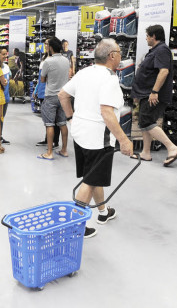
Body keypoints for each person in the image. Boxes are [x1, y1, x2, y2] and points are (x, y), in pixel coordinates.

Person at [59, 38, 134, 238]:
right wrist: (124, 140)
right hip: (98, 138)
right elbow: (107, 113)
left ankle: (103, 212)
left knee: (92, 176)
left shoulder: (84, 72)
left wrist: (70, 118)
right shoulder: (109, 78)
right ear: (112, 56)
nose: (121, 55)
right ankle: (76, 226)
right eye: (119, 52)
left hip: (80, 132)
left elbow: (62, 95)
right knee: (91, 180)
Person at [131, 25, 177, 166]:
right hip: (146, 94)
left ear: (154, 36)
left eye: (147, 35)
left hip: (153, 94)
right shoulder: (155, 50)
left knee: (147, 121)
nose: (146, 38)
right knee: (145, 122)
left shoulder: (162, 50)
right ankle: (145, 153)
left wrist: (154, 92)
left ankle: (172, 148)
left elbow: (164, 71)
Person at [37, 37, 70, 160]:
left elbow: (42, 79)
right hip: (63, 96)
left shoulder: (48, 62)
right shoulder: (66, 60)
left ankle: (49, 152)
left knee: (49, 124)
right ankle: (64, 150)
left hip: (50, 96)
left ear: (51, 47)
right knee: (62, 124)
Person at [34, 51, 60, 149]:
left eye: (47, 44)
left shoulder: (54, 61)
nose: (46, 45)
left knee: (54, 119)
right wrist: (36, 90)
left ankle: (55, 141)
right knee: (46, 119)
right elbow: (40, 77)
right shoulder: (44, 59)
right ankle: (47, 139)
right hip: (42, 91)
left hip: (50, 92)